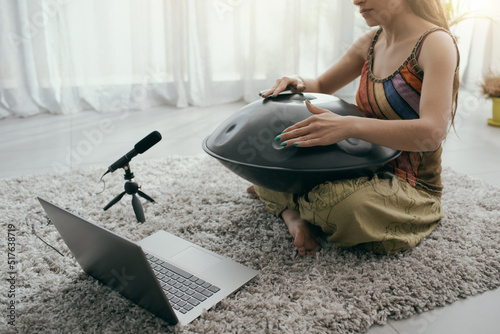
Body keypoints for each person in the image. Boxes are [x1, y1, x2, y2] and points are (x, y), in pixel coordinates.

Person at [248, 0, 460, 256]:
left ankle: (287, 206)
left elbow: (432, 134)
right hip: (360, 165)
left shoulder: (436, 44)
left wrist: (349, 126)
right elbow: (322, 84)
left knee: (341, 206)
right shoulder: (371, 41)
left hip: (411, 187)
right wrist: (298, 82)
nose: (356, 1)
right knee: (268, 164)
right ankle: (294, 216)